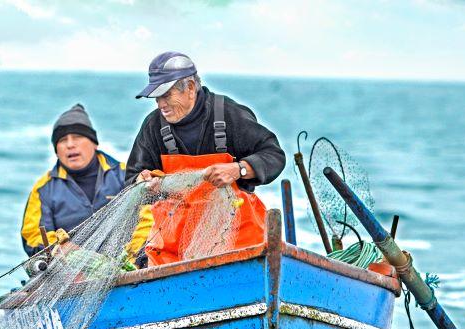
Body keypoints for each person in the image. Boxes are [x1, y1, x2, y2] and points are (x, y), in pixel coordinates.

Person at [126, 51, 286, 265]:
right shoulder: (153, 125)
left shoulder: (228, 113)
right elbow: (132, 178)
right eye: (157, 97)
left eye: (166, 95)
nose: (160, 104)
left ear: (190, 87)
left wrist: (239, 169)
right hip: (174, 249)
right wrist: (142, 182)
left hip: (237, 242)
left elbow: (273, 154)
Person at [20, 104, 126, 256]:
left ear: (94, 143)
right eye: (63, 140)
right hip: (67, 269)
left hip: (125, 263)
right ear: (56, 151)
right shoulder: (43, 189)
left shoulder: (125, 174)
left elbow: (147, 218)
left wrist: (132, 255)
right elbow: (32, 235)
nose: (70, 144)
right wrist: (60, 248)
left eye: (77, 137)